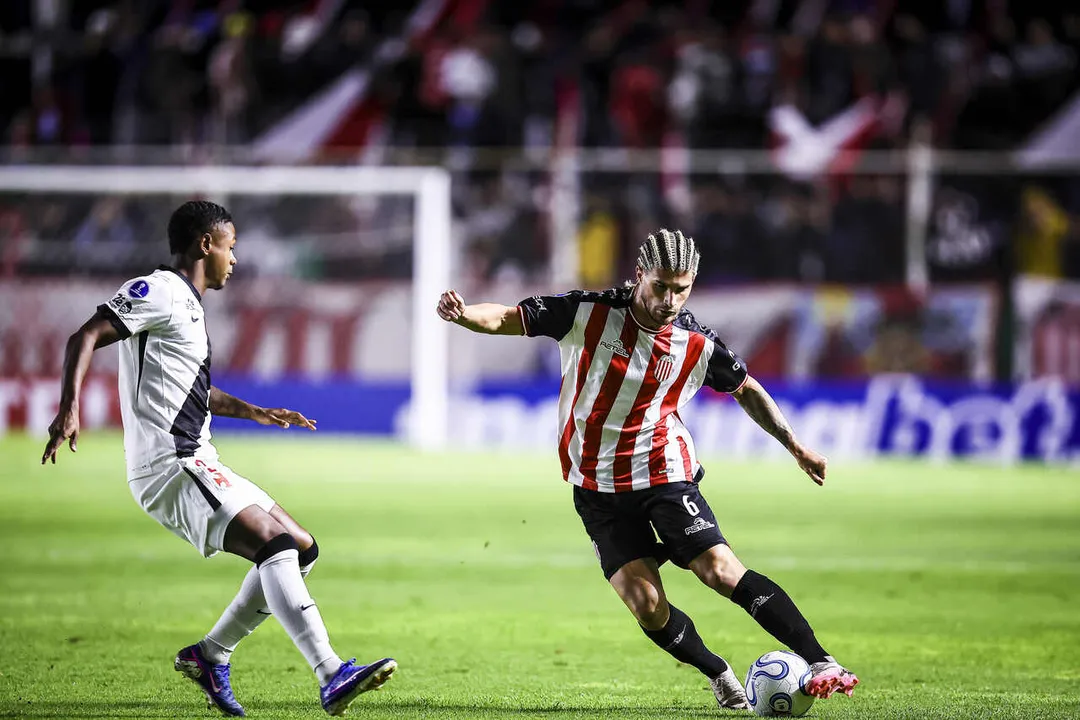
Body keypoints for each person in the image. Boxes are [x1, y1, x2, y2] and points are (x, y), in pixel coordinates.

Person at [436, 228, 859, 709]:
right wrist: (466, 314)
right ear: (639, 276)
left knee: (720, 570)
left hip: (663, 470)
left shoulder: (695, 343)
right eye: (660, 286)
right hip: (595, 485)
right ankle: (715, 670)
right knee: (646, 606)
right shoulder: (588, 313)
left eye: (681, 289)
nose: (669, 300)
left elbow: (747, 388)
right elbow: (510, 317)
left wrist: (795, 445)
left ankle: (821, 660)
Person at [41, 201, 396, 717]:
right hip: (169, 465)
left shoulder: (188, 304)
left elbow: (193, 391)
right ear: (206, 244)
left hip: (199, 457)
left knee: (301, 547)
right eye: (230, 245)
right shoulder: (158, 290)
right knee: (273, 544)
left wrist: (255, 411)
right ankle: (330, 672)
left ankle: (210, 655)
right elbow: (86, 335)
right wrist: (68, 408)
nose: (235, 256)